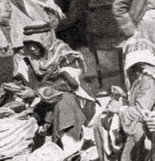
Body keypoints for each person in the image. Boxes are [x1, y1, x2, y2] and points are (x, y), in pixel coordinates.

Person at [92, 36, 155, 161]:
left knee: (136, 127)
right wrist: (124, 96)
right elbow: (137, 99)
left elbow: (141, 110)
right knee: (100, 120)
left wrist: (119, 109)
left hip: (152, 120)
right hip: (139, 115)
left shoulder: (149, 79)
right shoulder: (140, 78)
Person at [12, 21, 96, 154]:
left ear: (45, 40)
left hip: (74, 102)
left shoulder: (64, 54)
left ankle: (71, 147)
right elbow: (22, 80)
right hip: (43, 104)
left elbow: (67, 83)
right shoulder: (28, 59)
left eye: (36, 43)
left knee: (64, 101)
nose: (32, 48)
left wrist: (35, 93)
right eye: (29, 44)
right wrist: (18, 91)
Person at [0, 0, 65, 72]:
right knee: (48, 74)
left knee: (23, 76)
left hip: (19, 43)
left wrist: (12, 38)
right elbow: (55, 21)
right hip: (43, 44)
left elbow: (3, 19)